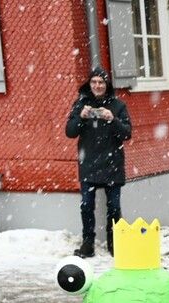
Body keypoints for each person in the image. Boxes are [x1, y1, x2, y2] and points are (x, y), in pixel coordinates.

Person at [66, 68, 132, 258]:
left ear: (107, 85)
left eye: (101, 82)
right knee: (86, 205)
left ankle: (115, 243)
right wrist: (81, 117)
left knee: (114, 207)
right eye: (94, 82)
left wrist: (112, 119)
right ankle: (88, 243)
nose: (97, 86)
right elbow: (70, 132)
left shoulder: (118, 106)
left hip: (113, 164)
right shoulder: (81, 104)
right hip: (88, 164)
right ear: (89, 84)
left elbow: (127, 133)